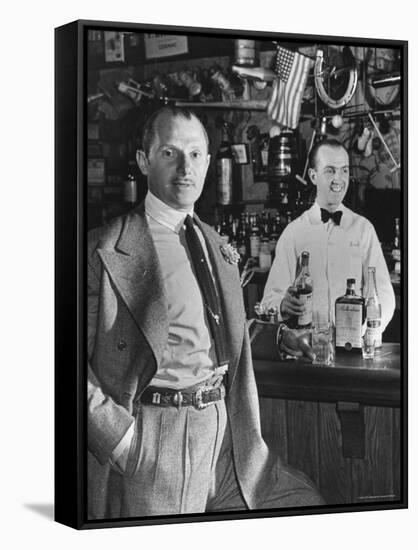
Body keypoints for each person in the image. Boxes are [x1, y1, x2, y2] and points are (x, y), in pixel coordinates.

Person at [87, 106, 323, 519]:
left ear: (210, 163)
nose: (185, 168)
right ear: (144, 161)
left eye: (195, 155)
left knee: (307, 507)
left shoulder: (215, 245)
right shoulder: (103, 247)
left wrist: (280, 337)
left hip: (229, 437)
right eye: (169, 153)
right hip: (156, 437)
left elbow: (218, 333)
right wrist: (119, 439)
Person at [262, 139, 395, 331]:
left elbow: (383, 293)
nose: (338, 179)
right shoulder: (293, 233)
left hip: (354, 345)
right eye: (330, 170)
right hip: (306, 346)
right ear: (313, 176)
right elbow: (270, 299)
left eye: (344, 170)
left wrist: (366, 330)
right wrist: (282, 305)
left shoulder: (364, 229)